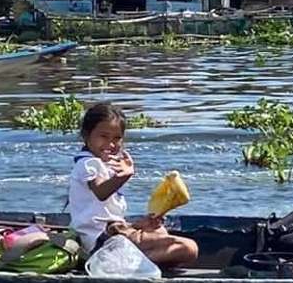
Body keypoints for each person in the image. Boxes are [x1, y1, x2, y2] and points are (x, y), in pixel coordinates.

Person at [69, 102, 198, 269]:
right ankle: (118, 265)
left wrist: (139, 224)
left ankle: (126, 261)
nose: (111, 144)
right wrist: (125, 175)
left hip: (113, 233)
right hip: (100, 240)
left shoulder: (104, 164)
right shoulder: (88, 163)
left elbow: (107, 213)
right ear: (87, 136)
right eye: (103, 136)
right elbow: (101, 192)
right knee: (189, 248)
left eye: (116, 138)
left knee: (160, 231)